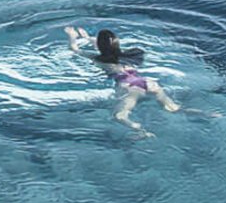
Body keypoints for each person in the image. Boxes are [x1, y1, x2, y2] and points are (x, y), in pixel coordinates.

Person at [65, 26, 193, 137]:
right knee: (173, 108)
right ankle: (208, 114)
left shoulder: (98, 59)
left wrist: (72, 36)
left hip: (130, 88)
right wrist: (87, 37)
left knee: (119, 116)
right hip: (148, 83)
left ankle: (141, 131)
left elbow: (74, 49)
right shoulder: (127, 55)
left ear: (99, 46)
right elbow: (104, 47)